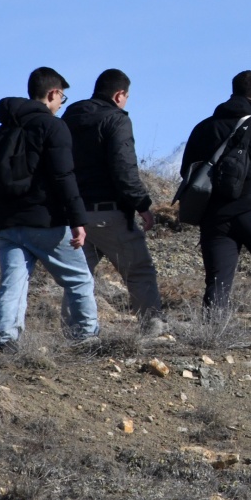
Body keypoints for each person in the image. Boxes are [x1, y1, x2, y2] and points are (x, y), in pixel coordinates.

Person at [0, 67, 100, 353]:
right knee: (79, 279)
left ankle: (6, 340)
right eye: (62, 95)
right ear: (52, 93)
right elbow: (64, 176)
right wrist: (78, 221)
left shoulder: (1, 131)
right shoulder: (53, 126)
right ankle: (86, 337)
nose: (62, 102)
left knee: (14, 283)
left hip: (7, 223)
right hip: (45, 221)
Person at [179, 71, 251, 320]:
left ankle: (211, 336)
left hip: (214, 216)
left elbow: (186, 171)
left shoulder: (203, 127)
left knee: (218, 280)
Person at [63, 69, 162, 327]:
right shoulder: (116, 120)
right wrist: (142, 204)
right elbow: (123, 168)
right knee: (138, 271)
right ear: (119, 95)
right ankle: (152, 326)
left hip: (74, 214)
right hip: (109, 213)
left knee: (79, 277)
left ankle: (75, 331)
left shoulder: (70, 116)